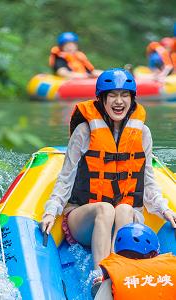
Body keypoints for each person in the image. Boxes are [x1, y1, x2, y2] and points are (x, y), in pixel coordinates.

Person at [39, 68, 176, 295]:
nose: (119, 101)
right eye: (112, 95)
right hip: (85, 217)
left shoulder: (142, 133)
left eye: (125, 95)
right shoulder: (84, 131)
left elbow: (148, 180)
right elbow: (66, 178)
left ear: (132, 100)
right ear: (101, 99)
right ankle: (101, 276)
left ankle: (118, 273)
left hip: (122, 219)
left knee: (123, 208)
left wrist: (164, 209)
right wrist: (50, 211)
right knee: (106, 209)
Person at [94, 223, 176, 299]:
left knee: (107, 284)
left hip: (117, 285)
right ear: (153, 254)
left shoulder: (113, 270)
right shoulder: (171, 263)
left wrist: (105, 279)